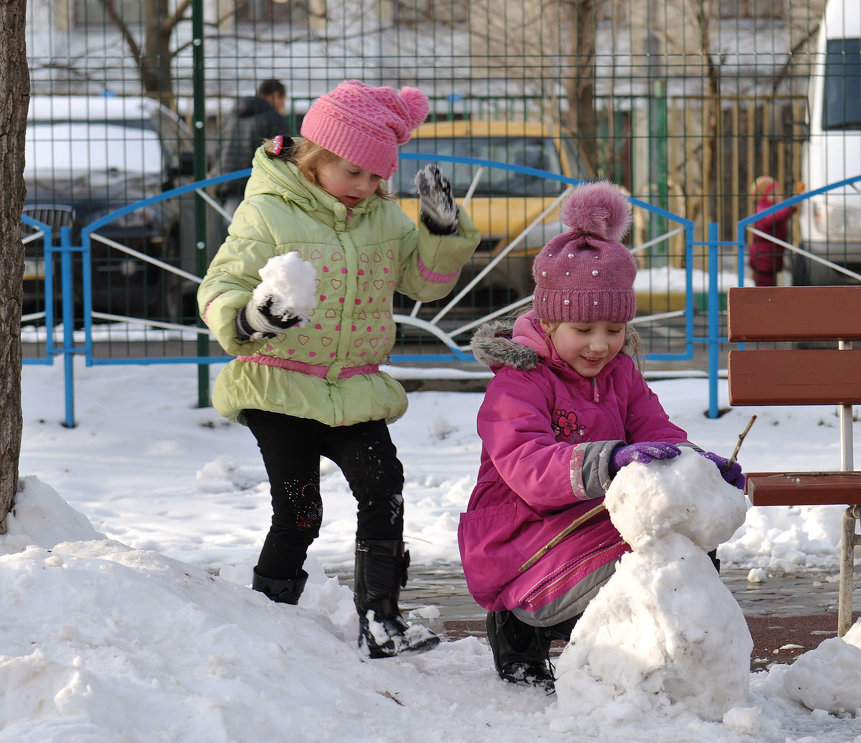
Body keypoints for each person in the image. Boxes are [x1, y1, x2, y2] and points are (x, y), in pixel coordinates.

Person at [198, 80, 481, 659]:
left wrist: (441, 232)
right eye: (354, 172)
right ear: (315, 156)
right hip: (278, 382)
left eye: (378, 177)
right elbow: (221, 285)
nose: (367, 187)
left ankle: (382, 619)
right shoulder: (268, 210)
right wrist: (252, 318)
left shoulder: (382, 218)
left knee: (385, 490)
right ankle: (269, 616)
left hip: (352, 387)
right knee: (301, 509)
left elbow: (423, 284)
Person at [457, 180, 744, 693]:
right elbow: (527, 464)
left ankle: (666, 647)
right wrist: (611, 459)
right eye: (583, 329)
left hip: (593, 520)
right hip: (521, 534)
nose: (599, 345)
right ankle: (520, 628)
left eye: (614, 330)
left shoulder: (620, 374)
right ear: (548, 320)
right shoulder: (519, 382)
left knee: (680, 543)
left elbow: (657, 431)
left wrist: (697, 467)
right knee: (621, 567)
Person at [217, 79, 292, 212]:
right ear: (275, 96)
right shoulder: (274, 119)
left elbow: (218, 149)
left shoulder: (229, 117)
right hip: (259, 186)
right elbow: (283, 153)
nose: (282, 104)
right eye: (283, 99)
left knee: (234, 227)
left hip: (227, 182)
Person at [748, 175, 797, 287]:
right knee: (764, 289)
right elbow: (770, 218)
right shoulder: (762, 209)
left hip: (771, 257)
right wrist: (789, 208)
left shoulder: (773, 208)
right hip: (763, 259)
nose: (777, 195)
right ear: (762, 195)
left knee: (769, 287)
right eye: (772, 192)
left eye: (777, 191)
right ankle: (763, 303)